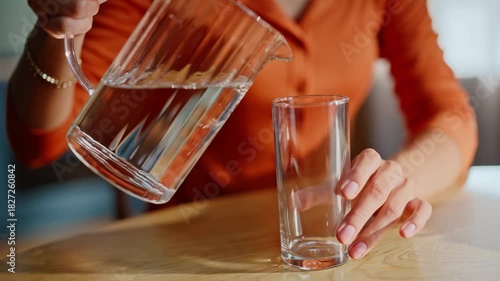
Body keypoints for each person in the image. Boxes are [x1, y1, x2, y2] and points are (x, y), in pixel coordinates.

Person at [7, 0, 477, 260]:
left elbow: (449, 114)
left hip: (326, 242)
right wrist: (55, 33)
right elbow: (37, 142)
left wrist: (402, 179)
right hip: (188, 251)